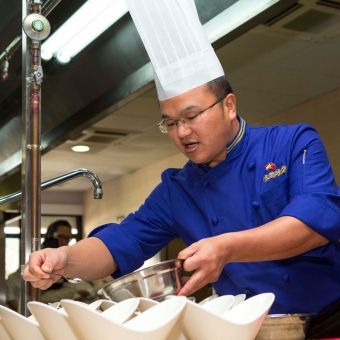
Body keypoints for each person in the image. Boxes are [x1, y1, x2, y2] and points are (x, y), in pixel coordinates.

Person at [24, 0, 340, 336]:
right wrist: (65, 259)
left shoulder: (291, 143)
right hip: (245, 332)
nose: (182, 133)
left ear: (229, 106)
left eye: (191, 117)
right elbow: (120, 243)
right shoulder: (178, 189)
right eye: (170, 123)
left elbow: (314, 224)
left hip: (325, 323)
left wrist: (226, 247)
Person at [6, 220, 95, 310]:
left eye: (67, 238)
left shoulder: (69, 260)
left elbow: (79, 286)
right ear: (49, 235)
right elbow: (21, 284)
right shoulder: (36, 254)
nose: (64, 242)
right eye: (60, 237)